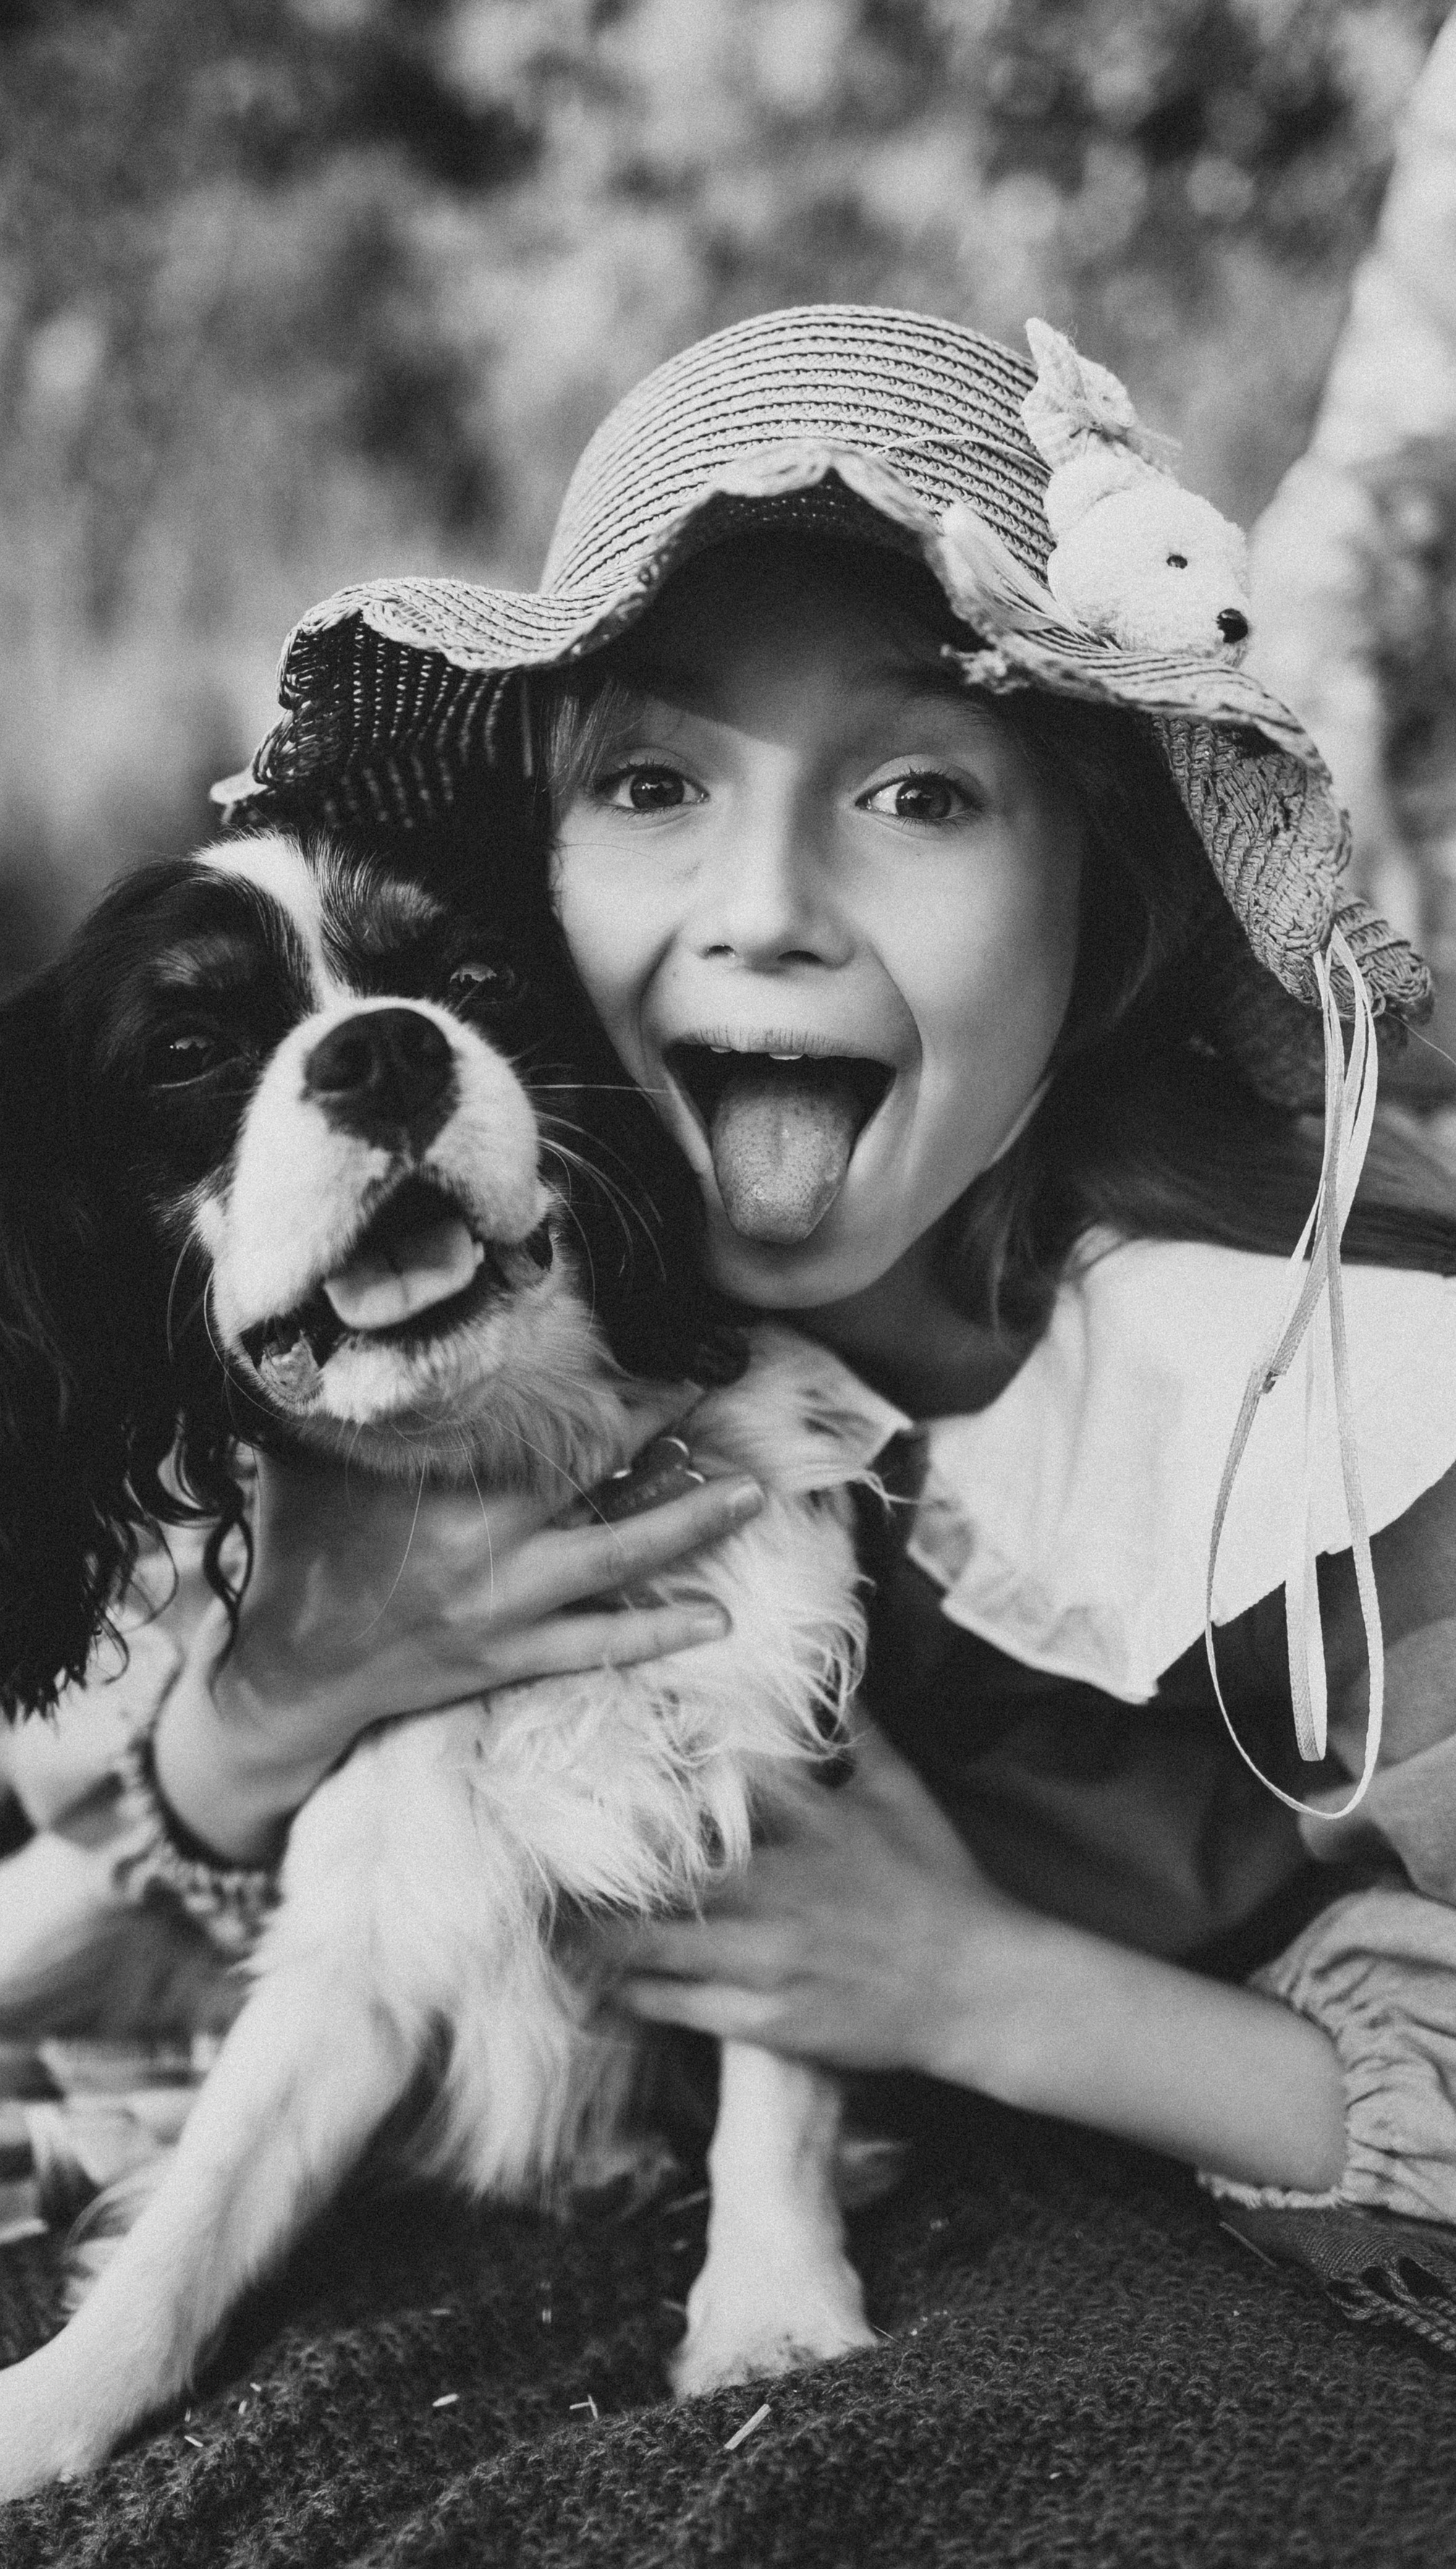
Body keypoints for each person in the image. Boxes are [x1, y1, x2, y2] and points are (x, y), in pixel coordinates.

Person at [143, 305, 1456, 2286]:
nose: (763, 909)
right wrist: (291, 1690)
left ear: (1103, 920)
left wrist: (969, 1990)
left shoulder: (1312, 1421)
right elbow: (118, 1774)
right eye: (652, 784)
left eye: (920, 793)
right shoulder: (472, 1296)